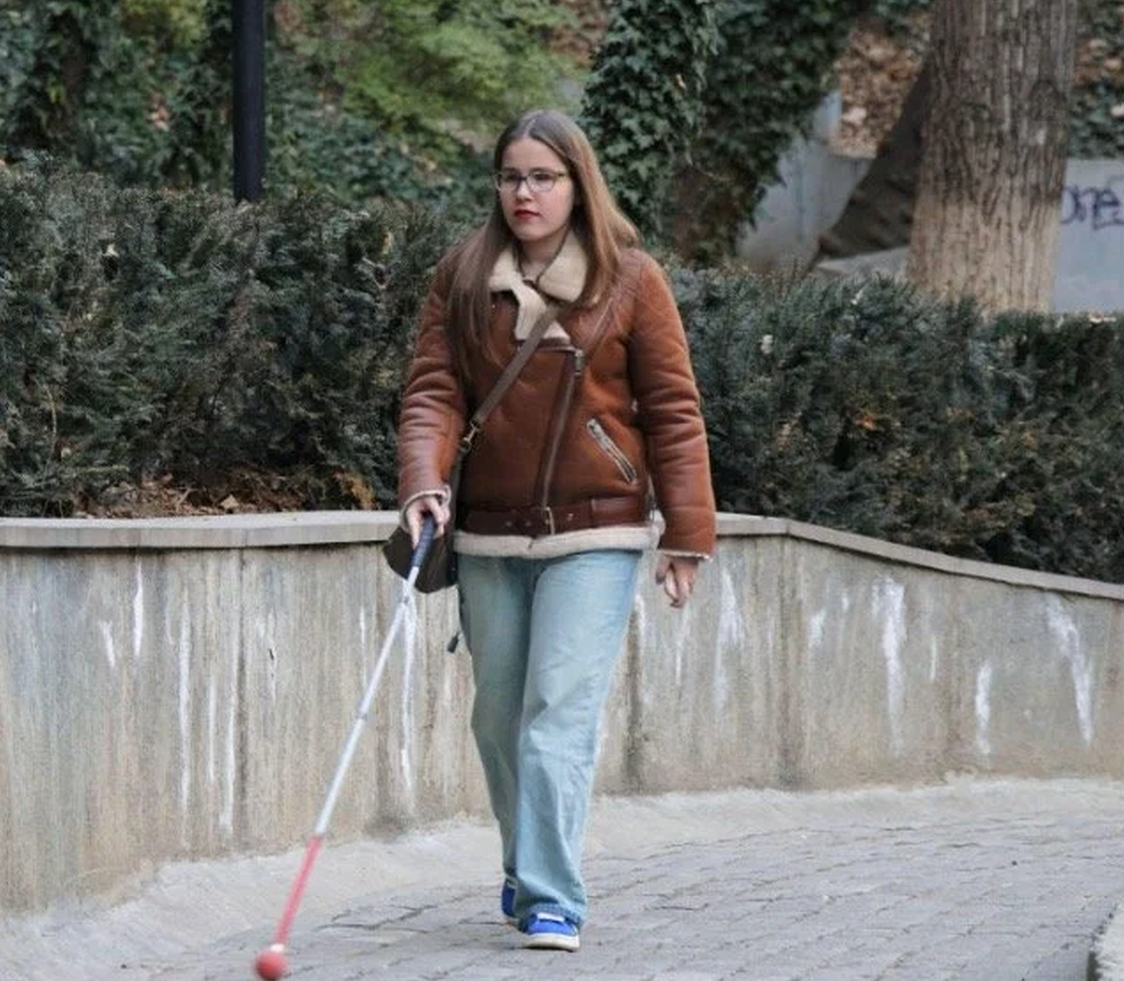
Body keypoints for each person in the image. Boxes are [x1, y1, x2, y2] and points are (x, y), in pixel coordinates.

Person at [395, 108, 716, 952]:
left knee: (556, 714)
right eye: (511, 176)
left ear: (578, 185)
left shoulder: (631, 278)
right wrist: (423, 482)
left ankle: (551, 895)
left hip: (597, 528)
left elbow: (674, 410)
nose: (525, 193)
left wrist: (686, 532)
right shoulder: (463, 274)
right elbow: (434, 391)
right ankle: (524, 860)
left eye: (543, 177)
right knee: (498, 720)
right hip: (490, 532)